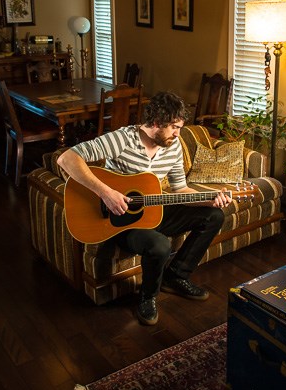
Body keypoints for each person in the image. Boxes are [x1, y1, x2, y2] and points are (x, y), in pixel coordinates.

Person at [57, 90, 232, 325]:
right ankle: (148, 297)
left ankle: (176, 276)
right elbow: (66, 159)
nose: (178, 134)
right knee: (160, 245)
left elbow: (180, 191)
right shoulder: (122, 139)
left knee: (213, 215)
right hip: (118, 221)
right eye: (174, 128)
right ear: (157, 122)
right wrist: (106, 193)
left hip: (151, 209)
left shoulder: (173, 146)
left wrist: (209, 198)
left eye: (179, 128)